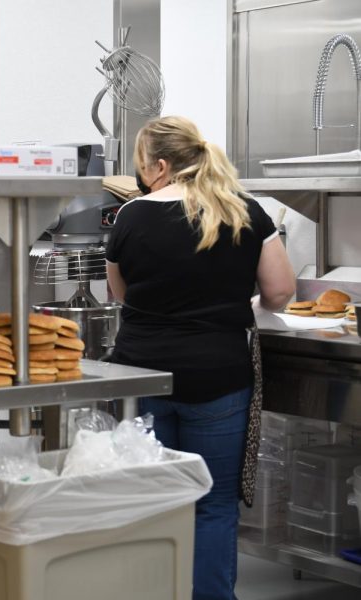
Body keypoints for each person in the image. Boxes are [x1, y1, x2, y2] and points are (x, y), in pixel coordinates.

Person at [106, 116, 295, 600]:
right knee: (211, 505)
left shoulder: (131, 216)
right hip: (217, 377)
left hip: (140, 377)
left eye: (142, 166)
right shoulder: (246, 211)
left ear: (161, 166)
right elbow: (279, 294)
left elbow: (121, 294)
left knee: (153, 500)